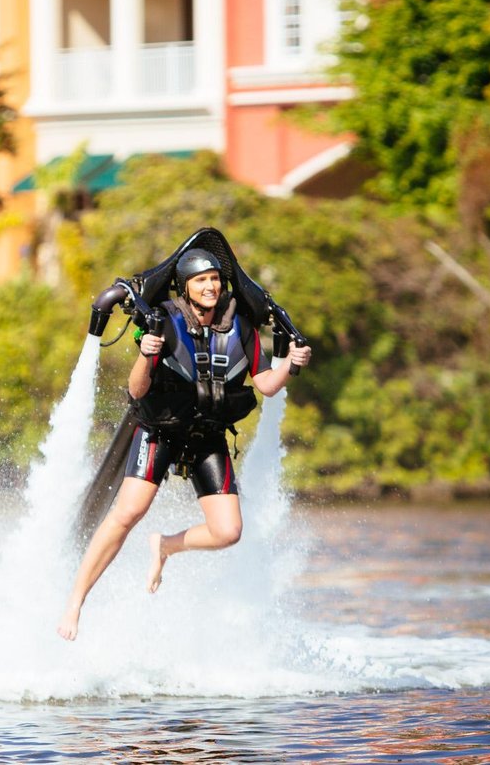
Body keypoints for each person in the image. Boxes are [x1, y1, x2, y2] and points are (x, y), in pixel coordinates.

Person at [57, 248, 312, 642]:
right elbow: (136, 390)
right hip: (160, 429)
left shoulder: (240, 325)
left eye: (214, 279)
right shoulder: (165, 322)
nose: (210, 286)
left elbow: (265, 385)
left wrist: (290, 365)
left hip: (206, 434)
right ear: (185, 287)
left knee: (228, 531)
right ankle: (75, 601)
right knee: (128, 512)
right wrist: (146, 354)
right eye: (201, 280)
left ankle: (166, 546)